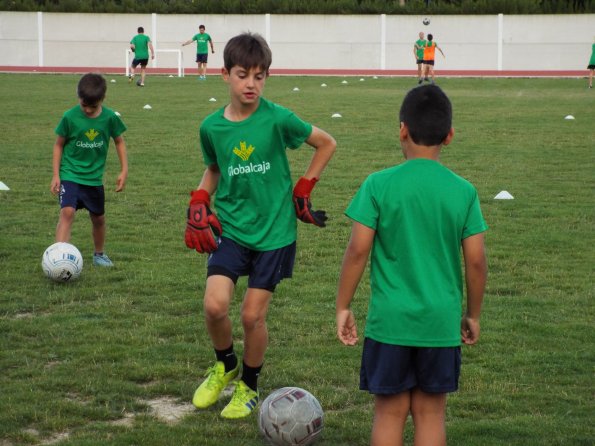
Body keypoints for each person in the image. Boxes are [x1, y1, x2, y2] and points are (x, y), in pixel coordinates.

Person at [185, 32, 336, 419]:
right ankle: (225, 364)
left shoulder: (277, 118)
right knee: (214, 305)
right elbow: (215, 167)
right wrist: (200, 198)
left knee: (252, 315)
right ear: (225, 75)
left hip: (274, 233)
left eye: (259, 75)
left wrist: (304, 188)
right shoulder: (212, 128)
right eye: (242, 75)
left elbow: (326, 143)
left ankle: (249, 387)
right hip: (232, 229)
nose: (251, 84)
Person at [336, 85, 488, 446]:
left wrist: (343, 306)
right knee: (431, 414)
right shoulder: (463, 191)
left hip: (390, 323)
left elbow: (357, 251)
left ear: (401, 129)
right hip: (438, 323)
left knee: (388, 413)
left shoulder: (378, 184)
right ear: (449, 136)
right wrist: (473, 314)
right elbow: (477, 261)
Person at [50, 73, 128, 267]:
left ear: (102, 99)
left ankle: (99, 254)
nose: (87, 110)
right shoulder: (69, 117)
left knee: (98, 218)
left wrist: (123, 170)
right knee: (67, 212)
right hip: (70, 174)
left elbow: (119, 141)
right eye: (84, 105)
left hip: (94, 178)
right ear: (79, 98)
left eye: (92, 107)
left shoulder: (110, 117)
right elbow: (58, 145)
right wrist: (56, 175)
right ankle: (58, 257)